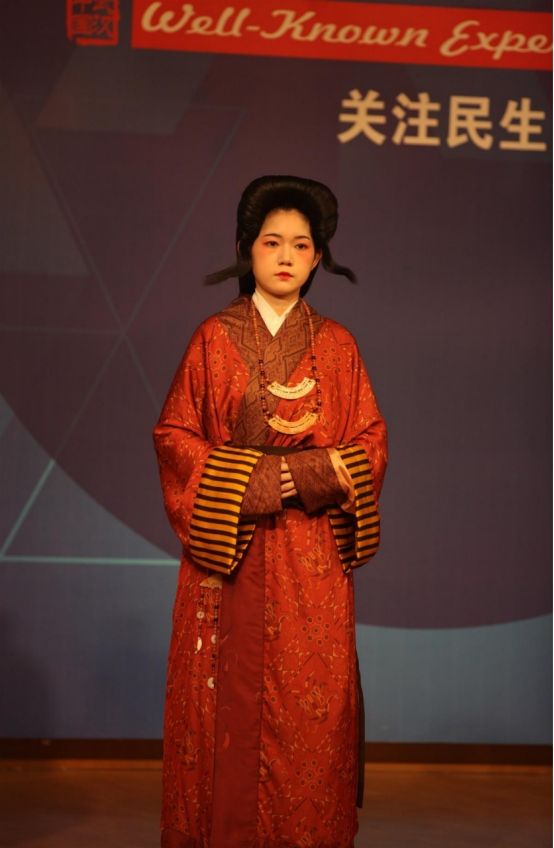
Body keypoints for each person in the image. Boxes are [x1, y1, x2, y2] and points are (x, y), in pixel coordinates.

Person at [153, 175, 387, 848]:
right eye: (271, 241)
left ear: (318, 258)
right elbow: (175, 438)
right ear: (246, 250)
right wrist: (268, 478)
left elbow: (370, 444)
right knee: (218, 719)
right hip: (227, 558)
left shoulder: (337, 345)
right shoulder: (212, 339)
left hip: (311, 564)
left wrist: (302, 476)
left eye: (301, 245)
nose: (286, 256)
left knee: (309, 717)